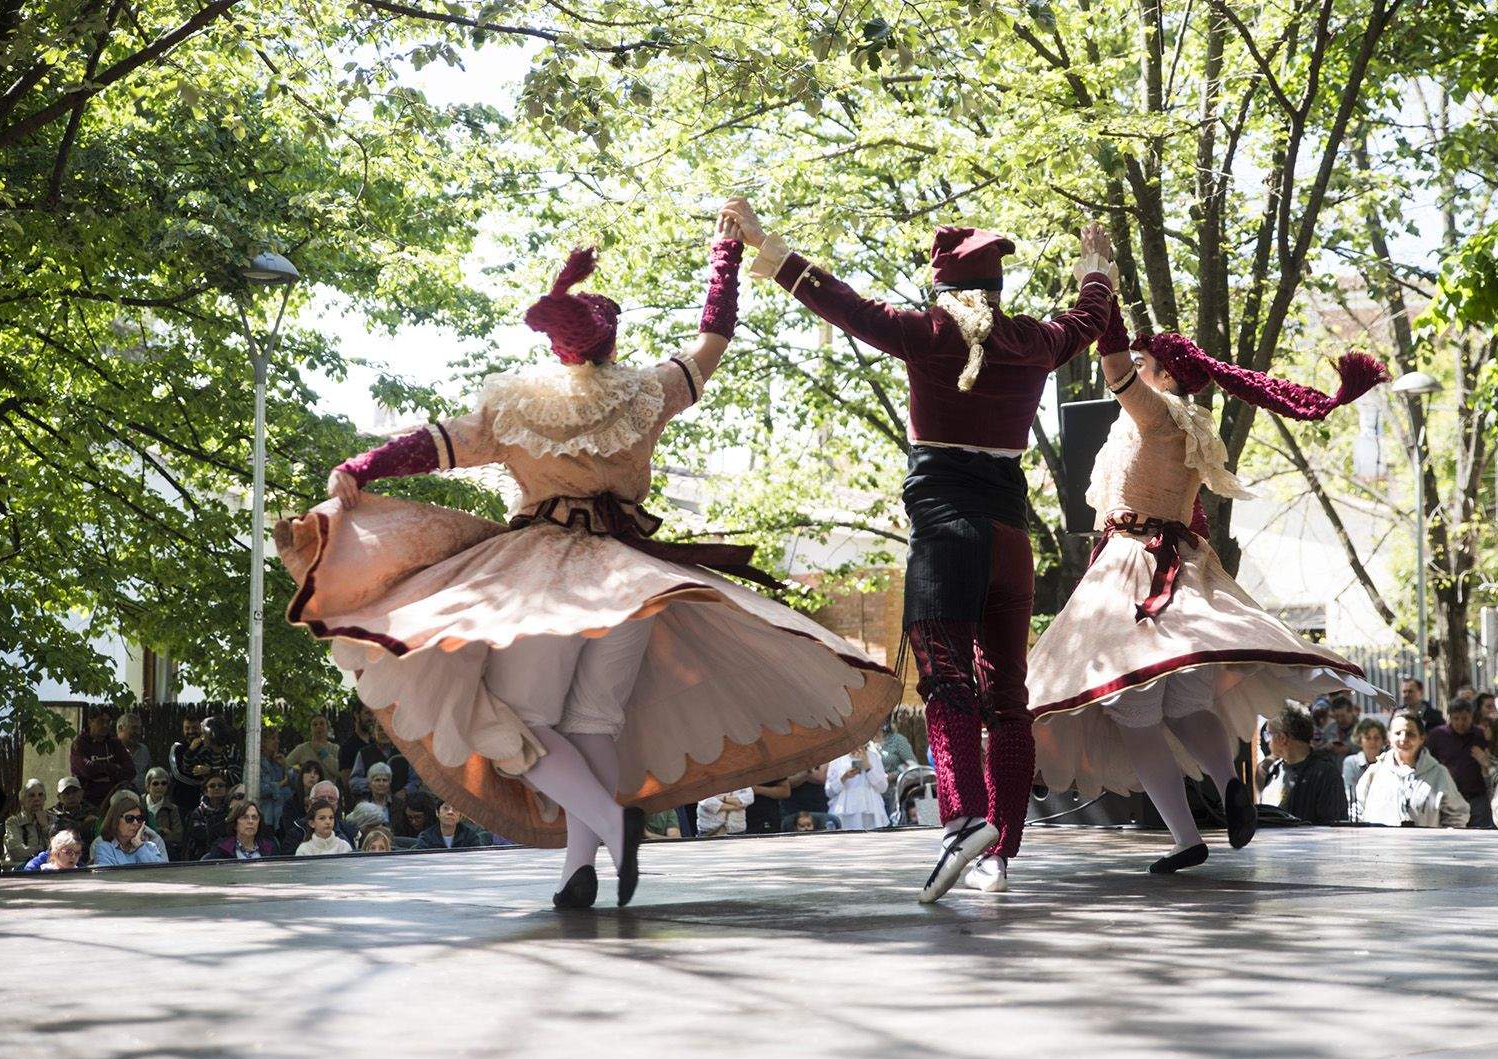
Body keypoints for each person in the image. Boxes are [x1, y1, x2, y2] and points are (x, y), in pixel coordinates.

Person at [279, 214, 897, 911]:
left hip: (545, 580)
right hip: (631, 578)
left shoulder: (516, 410)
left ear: (555, 348)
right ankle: (581, 869)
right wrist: (725, 251)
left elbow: (428, 444)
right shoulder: (647, 394)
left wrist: (362, 465)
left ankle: (610, 826)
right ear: (611, 344)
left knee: (522, 716)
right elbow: (714, 336)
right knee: (593, 720)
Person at [727, 203, 1118, 903]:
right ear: (998, 291)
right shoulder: (1032, 340)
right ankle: (1001, 849)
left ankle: (964, 818)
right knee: (1009, 700)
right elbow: (1087, 320)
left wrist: (764, 242)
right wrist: (1097, 268)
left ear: (942, 291)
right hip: (1008, 538)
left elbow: (839, 300)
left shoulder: (928, 333)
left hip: (946, 532)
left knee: (944, 680)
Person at [1025, 244, 1389, 874]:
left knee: (1132, 711)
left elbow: (1112, 366)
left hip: (1136, 569)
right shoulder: (1191, 425)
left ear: (1164, 375)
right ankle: (1229, 783)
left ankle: (1188, 837)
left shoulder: (1155, 414)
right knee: (1184, 702)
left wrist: (1099, 284)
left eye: (1146, 363)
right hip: (1177, 566)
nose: (1134, 368)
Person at [1356, 712, 1470, 828]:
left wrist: (1444, 841)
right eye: (1398, 733)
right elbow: (1358, 811)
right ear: (1389, 737)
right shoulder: (1375, 772)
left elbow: (1457, 815)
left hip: (1425, 845)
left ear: (1422, 738)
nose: (1403, 739)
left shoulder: (1438, 774)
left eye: (1410, 734)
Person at [1257, 710, 1348, 825]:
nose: (1267, 742)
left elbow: (1334, 825)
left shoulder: (1325, 773)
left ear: (1282, 738)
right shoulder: (1274, 770)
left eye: (1268, 734)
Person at [1424, 697, 1494, 827]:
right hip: (1449, 795)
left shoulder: (1480, 734)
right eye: (1456, 719)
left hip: (1476, 796)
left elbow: (1493, 759)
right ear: (1449, 717)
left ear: (1471, 717)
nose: (1460, 723)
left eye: (1464, 719)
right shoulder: (1437, 735)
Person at [70, 707, 136, 809]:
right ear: (90, 722)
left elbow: (130, 771)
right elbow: (88, 770)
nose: (105, 725)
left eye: (108, 722)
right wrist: (114, 768)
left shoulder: (115, 743)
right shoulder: (80, 744)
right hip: (87, 803)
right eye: (101, 721)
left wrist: (101, 773)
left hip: (113, 801)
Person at [280, 780, 356, 854]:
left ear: (337, 804)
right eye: (321, 798)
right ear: (310, 803)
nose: (326, 802)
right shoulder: (297, 833)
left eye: (331, 798)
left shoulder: (348, 834)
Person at [825, 744, 889, 830]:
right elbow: (829, 791)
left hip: (871, 812)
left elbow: (883, 787)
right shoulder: (837, 758)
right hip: (845, 813)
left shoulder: (874, 757)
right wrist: (844, 777)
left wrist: (868, 767)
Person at [94, 794, 168, 866]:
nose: (135, 823)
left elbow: (161, 873)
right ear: (115, 821)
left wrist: (139, 846)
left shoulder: (150, 847)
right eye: (129, 818)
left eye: (139, 819)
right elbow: (109, 877)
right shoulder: (104, 848)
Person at [1342, 719, 1387, 820]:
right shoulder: (1351, 763)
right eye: (1368, 738)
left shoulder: (1389, 763)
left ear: (1383, 740)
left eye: (1376, 738)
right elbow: (1350, 795)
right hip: (1357, 816)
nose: (1372, 742)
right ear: (1360, 740)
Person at [183, 773, 235, 861]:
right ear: (206, 791)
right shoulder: (198, 812)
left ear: (226, 789)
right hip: (201, 856)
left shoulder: (231, 810)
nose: (217, 788)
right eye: (212, 786)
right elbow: (199, 835)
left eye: (220, 785)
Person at [2, 778, 51, 871]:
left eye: (40, 795)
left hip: (47, 869)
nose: (36, 799)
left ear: (45, 799)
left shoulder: (52, 819)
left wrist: (46, 827)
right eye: (31, 795)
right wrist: (42, 851)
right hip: (20, 871)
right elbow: (17, 852)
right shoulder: (13, 822)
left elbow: (60, 849)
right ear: (22, 801)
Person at [203, 799, 277, 860]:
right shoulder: (222, 849)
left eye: (254, 817)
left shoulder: (269, 848)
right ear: (235, 824)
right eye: (245, 817)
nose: (250, 821)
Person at [168, 711, 207, 814]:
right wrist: (202, 782)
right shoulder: (177, 747)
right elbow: (178, 774)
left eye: (194, 728)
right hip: (181, 800)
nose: (191, 731)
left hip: (203, 800)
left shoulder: (207, 747)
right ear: (183, 729)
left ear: (200, 728)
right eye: (187, 728)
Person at [141, 767, 185, 856]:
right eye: (155, 783)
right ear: (147, 786)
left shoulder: (172, 808)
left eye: (163, 783)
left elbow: (178, 835)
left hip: (163, 849)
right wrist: (162, 831)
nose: (160, 787)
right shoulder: (138, 804)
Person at [413, 797, 486, 850]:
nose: (450, 812)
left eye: (455, 809)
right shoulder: (426, 837)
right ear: (437, 813)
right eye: (445, 808)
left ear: (460, 815)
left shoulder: (470, 836)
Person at [258, 727, 292, 833]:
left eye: (277, 738)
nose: (277, 741)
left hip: (283, 816)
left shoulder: (278, 762)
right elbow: (258, 789)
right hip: (266, 818)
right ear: (262, 742)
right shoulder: (255, 764)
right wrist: (280, 784)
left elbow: (293, 784)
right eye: (273, 738)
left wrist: (285, 765)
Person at [48, 776, 96, 845]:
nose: (71, 796)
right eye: (66, 793)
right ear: (59, 797)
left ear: (82, 793)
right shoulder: (51, 814)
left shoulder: (92, 811)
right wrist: (84, 825)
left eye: (74, 792)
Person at [117, 712, 152, 791]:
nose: (138, 732)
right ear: (120, 728)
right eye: (134, 728)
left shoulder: (144, 750)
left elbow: (149, 774)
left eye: (139, 729)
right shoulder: (112, 750)